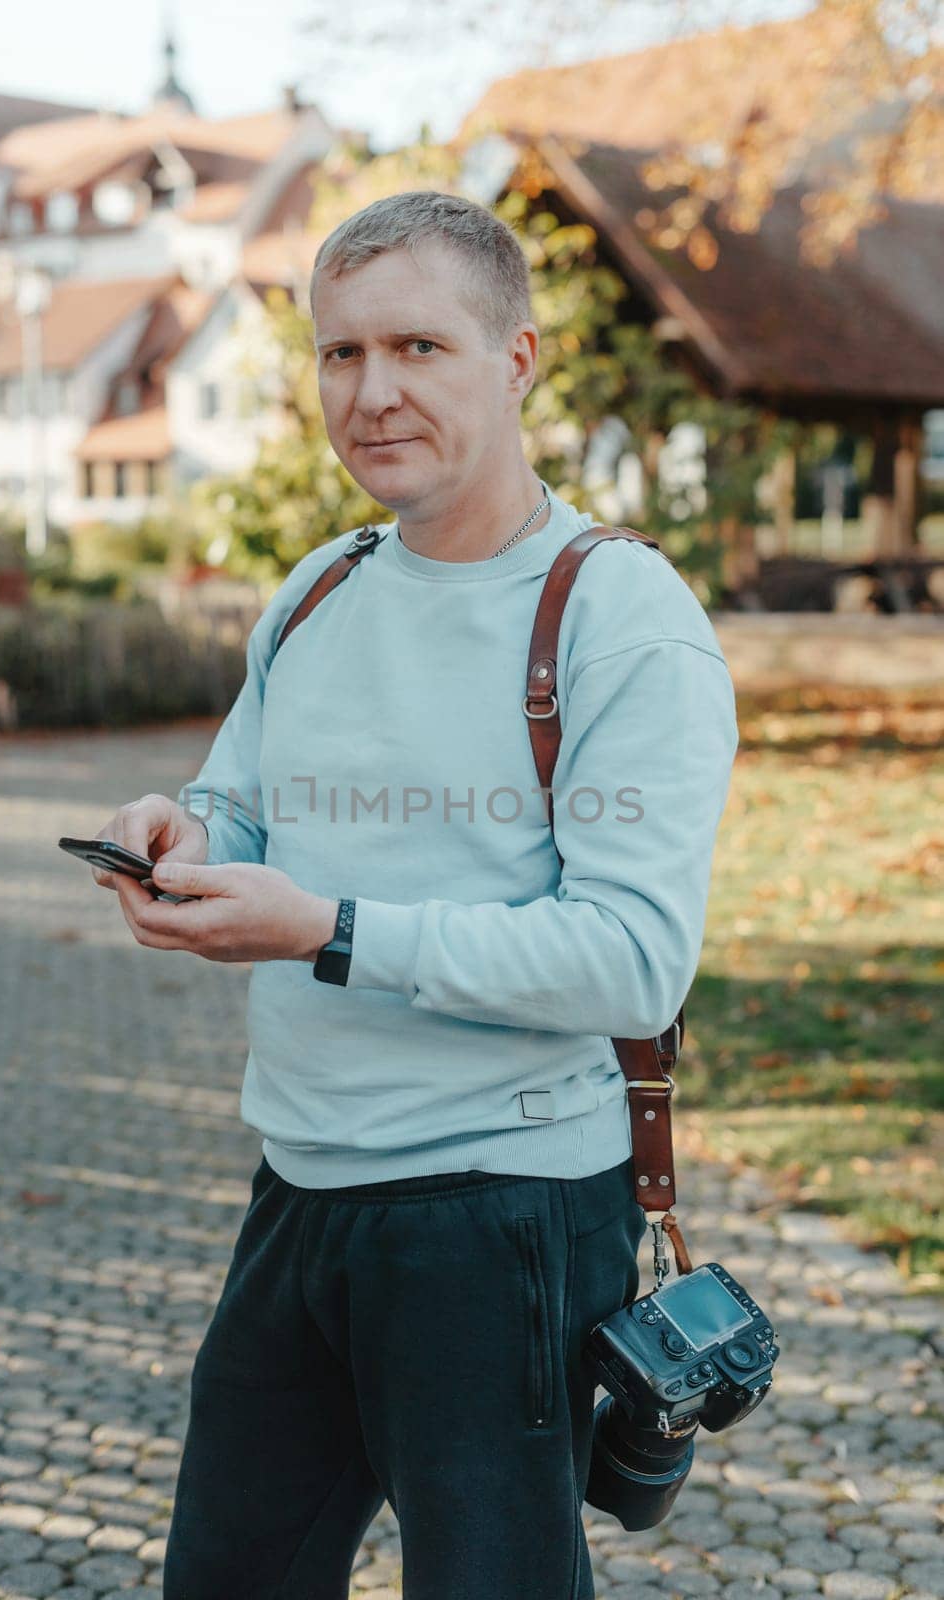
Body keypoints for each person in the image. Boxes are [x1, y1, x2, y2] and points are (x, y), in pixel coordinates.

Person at [92, 190, 740, 1600]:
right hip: (301, 1188)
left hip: (500, 1212)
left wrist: (326, 932)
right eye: (340, 355)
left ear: (516, 360)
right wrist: (177, 831)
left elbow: (634, 964)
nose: (372, 394)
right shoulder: (320, 587)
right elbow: (237, 801)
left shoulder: (620, 614)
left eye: (419, 349)